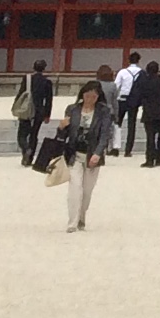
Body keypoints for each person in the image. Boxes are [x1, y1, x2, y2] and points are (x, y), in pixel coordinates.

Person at [55, 78, 110, 231]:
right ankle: (72, 222)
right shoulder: (72, 109)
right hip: (74, 153)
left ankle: (81, 217)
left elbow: (105, 134)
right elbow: (63, 134)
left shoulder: (104, 111)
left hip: (92, 154)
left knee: (86, 191)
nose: (90, 99)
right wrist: (61, 127)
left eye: (94, 96)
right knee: (75, 188)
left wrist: (98, 153)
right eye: (87, 95)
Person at [14, 58, 54, 172]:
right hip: (39, 111)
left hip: (26, 109)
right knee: (34, 134)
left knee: (22, 134)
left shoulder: (27, 79)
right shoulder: (47, 82)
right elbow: (49, 100)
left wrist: (16, 106)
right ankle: (29, 158)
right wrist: (47, 114)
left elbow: (21, 94)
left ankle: (26, 150)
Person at [112, 51, 144, 156]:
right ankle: (128, 150)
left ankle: (115, 148)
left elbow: (116, 86)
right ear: (138, 61)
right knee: (132, 125)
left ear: (128, 60)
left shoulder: (122, 72)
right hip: (134, 101)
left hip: (122, 99)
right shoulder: (142, 73)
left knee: (117, 124)